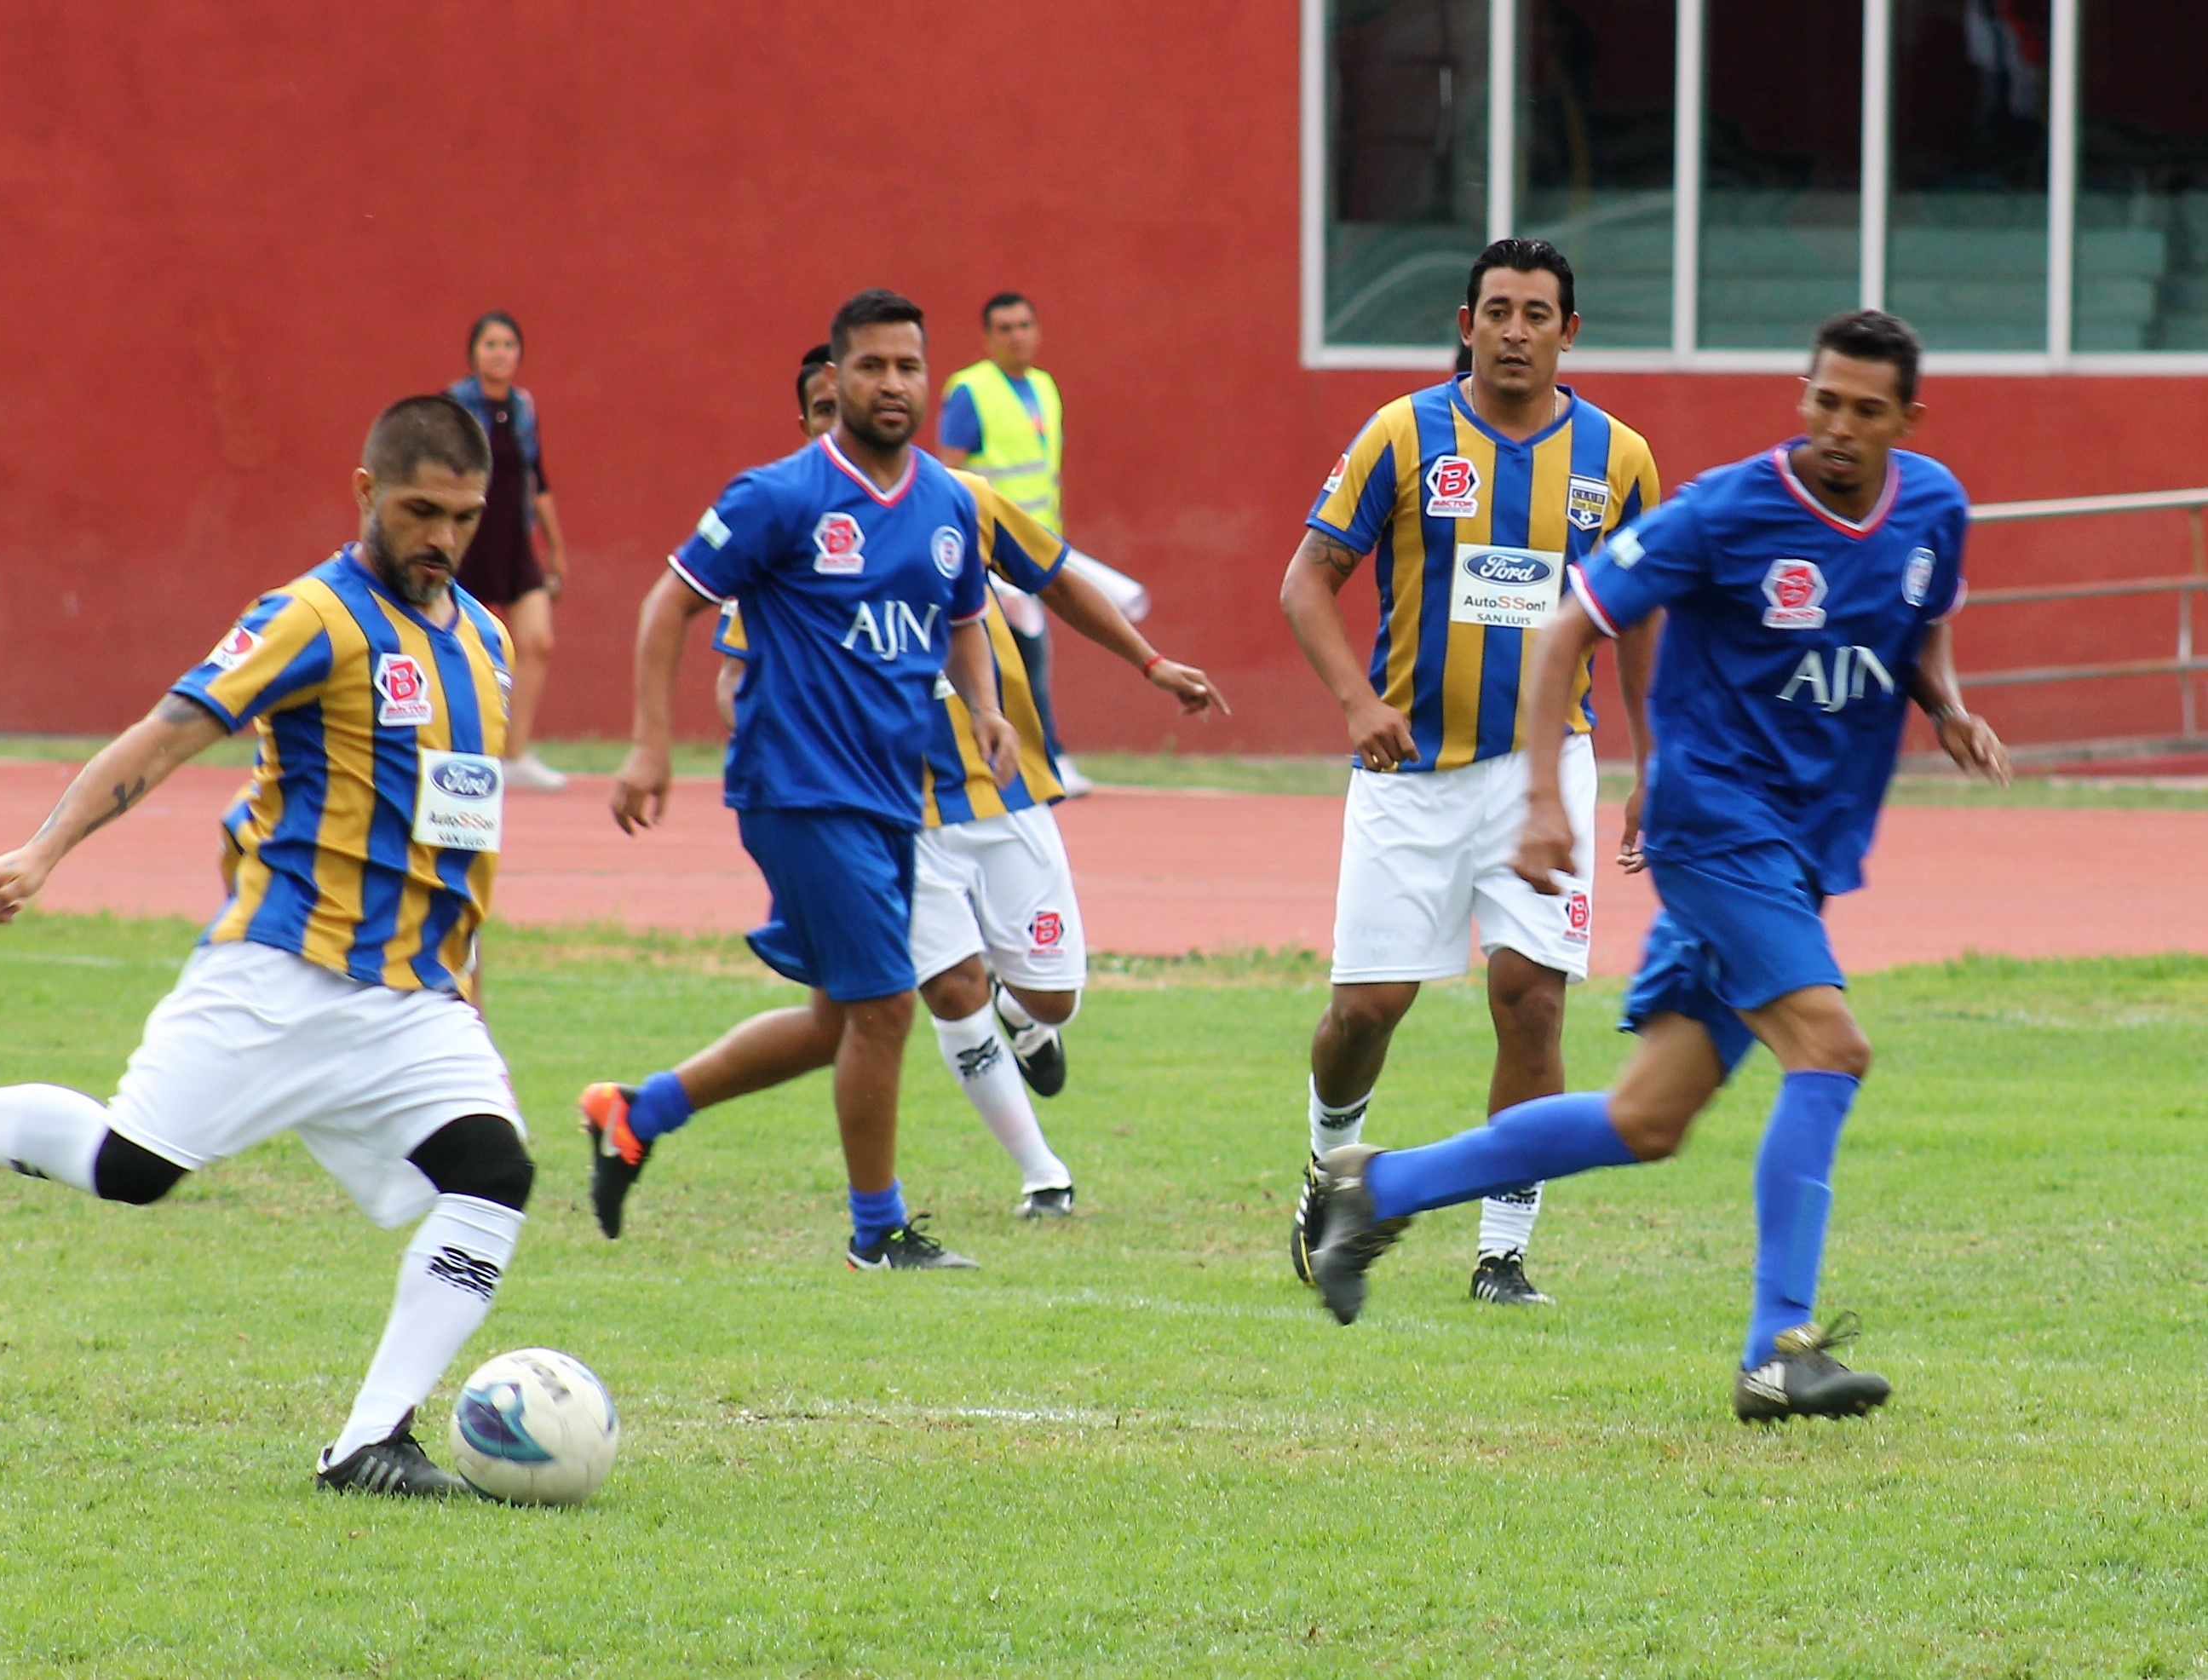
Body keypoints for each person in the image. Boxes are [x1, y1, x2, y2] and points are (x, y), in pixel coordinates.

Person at [0, 396, 537, 1496]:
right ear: (365, 492)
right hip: (281, 970)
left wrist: (471, 994)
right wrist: (42, 851)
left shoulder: (488, 644)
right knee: (133, 1172)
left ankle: (370, 1442)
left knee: (492, 1174)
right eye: (420, 511)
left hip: (415, 999)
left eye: (462, 516)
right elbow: (170, 732)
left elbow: (466, 839)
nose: (441, 538)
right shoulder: (313, 615)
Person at [1303, 309, 2012, 1423]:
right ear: (1802, 393)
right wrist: (1542, 799)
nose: (1835, 426)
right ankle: (1776, 1348)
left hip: (1797, 846)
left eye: (1863, 410)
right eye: (1821, 400)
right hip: (1712, 827)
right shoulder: (1726, 510)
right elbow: (1562, 630)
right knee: (1829, 1047)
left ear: (1904, 419)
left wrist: (1948, 706)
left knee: (1646, 1119)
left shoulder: (1932, 507)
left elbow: (1910, 619)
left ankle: (1377, 1186)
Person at [704, 346, 1226, 1218]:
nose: (856, 410)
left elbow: (1057, 579)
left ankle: (1027, 1022)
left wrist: (1150, 661)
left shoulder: (958, 502)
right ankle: (1042, 1174)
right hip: (882, 809)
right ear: (807, 423)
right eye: (827, 405)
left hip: (996, 791)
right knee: (947, 990)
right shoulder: (784, 532)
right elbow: (731, 677)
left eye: (872, 387)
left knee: (1053, 992)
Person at [595, 289, 1016, 1270]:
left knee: (839, 1020)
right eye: (871, 367)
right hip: (797, 786)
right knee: (886, 1008)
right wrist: (650, 745)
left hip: (885, 796)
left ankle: (635, 1112)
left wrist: (986, 707)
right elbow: (668, 605)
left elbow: (961, 621)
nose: (893, 385)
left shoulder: (948, 503)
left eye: (909, 366)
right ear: (834, 380)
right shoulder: (778, 496)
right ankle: (879, 1233)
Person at [1279, 239, 1661, 1307]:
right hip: (1412, 771)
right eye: (1496, 310)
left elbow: (1639, 624)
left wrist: (1654, 762)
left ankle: (1502, 1250)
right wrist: (1358, 702)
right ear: (1465, 322)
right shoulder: (1403, 434)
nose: (1514, 330)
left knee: (1531, 1000)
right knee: (1368, 1009)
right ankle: (1330, 1165)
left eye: (1536, 313)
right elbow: (1306, 580)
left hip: (1549, 770)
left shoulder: (1618, 458)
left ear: (1568, 333)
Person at [939, 292, 1086, 792]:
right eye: (1004, 328)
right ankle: (1047, 755)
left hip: (1033, 547)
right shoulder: (971, 392)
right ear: (987, 338)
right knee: (1020, 654)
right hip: (987, 552)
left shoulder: (1045, 387)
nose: (1016, 335)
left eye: (1024, 324)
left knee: (1027, 654)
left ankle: (1032, 753)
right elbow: (951, 470)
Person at [451, 310, 570, 792]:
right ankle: (457, 751)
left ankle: (513, 754)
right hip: (465, 545)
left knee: (537, 641)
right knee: (459, 647)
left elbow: (537, 479)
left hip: (515, 543)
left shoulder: (523, 407)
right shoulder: (455, 405)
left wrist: (556, 549)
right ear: (473, 352)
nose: (499, 354)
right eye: (490, 344)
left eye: (508, 345)